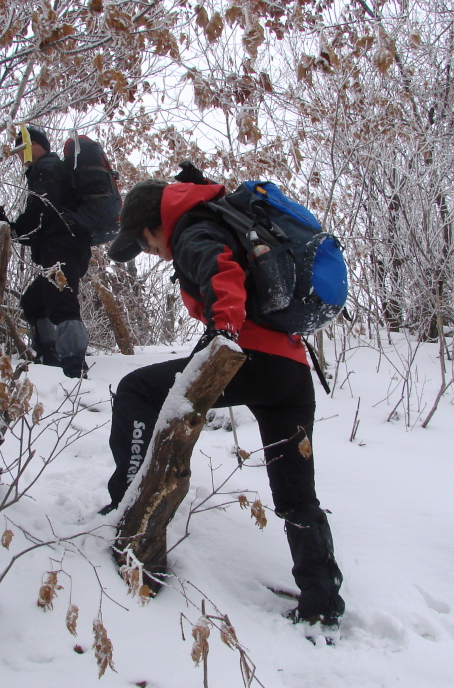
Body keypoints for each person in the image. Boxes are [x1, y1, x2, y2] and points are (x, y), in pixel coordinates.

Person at [103, 172, 345, 627]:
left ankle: (124, 504)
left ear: (156, 223)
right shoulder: (222, 218)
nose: (148, 250)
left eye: (143, 239)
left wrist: (223, 335)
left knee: (137, 390)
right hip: (292, 370)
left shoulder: (193, 228)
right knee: (297, 496)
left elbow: (221, 270)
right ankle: (322, 603)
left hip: (248, 358)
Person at [0, 125, 90, 378]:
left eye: (23, 147)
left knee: (61, 300)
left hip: (62, 246)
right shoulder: (48, 169)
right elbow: (41, 225)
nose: (19, 154)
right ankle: (49, 355)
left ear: (38, 145)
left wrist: (11, 228)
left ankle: (74, 364)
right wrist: (12, 229)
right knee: (34, 301)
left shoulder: (46, 168)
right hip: (65, 245)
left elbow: (41, 211)